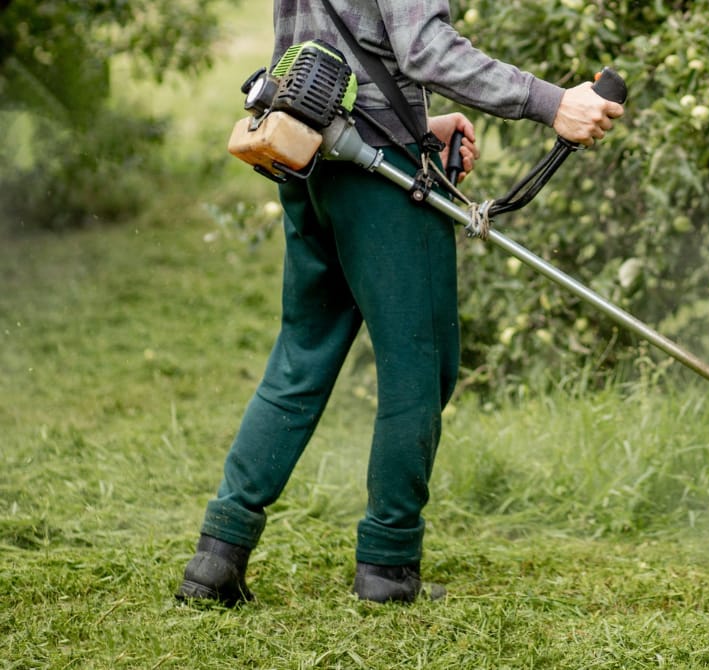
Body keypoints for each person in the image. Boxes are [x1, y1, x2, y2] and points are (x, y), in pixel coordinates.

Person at [176, 0, 623, 606]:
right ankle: (388, 567)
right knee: (419, 367)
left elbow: (330, 40)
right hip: (375, 173)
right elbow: (425, 50)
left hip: (307, 153)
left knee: (301, 355)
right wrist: (553, 103)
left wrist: (417, 122)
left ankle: (217, 556)